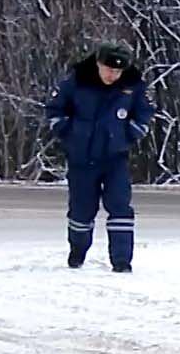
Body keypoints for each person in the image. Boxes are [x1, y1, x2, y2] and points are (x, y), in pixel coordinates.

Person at [44, 41, 155, 273]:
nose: (112, 75)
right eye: (108, 69)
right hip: (81, 158)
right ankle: (77, 252)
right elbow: (55, 109)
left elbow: (144, 113)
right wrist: (66, 131)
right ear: (98, 64)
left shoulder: (132, 87)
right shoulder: (76, 82)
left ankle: (122, 261)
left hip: (115, 158)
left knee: (120, 207)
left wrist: (132, 133)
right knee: (82, 210)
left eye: (117, 71)